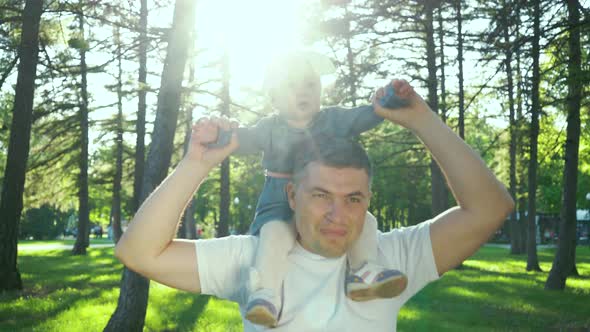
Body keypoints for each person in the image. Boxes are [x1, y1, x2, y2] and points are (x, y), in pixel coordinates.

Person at [114, 79, 515, 331]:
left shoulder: (393, 259)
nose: (338, 214)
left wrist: (423, 120)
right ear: (292, 194)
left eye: (353, 198)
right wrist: (195, 164)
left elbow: (490, 208)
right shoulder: (250, 258)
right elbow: (137, 252)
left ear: (368, 200)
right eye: (321, 195)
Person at [194, 51, 409, 327]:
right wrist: (218, 135)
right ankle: (266, 295)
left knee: (365, 221)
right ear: (274, 98)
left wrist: (390, 100)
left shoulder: (333, 120)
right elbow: (242, 139)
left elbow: (362, 117)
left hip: (323, 196)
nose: (303, 92)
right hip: (279, 198)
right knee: (274, 234)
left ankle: (363, 271)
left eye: (310, 85)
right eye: (292, 86)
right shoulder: (269, 128)